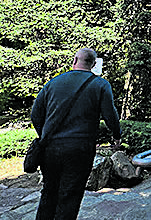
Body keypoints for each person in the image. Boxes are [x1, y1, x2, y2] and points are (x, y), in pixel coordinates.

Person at [31, 48, 122, 219]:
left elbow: (35, 115)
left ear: (74, 61)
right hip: (80, 149)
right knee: (70, 195)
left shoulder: (53, 83)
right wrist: (117, 135)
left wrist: (45, 135)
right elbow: (110, 115)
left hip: (50, 149)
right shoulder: (101, 85)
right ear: (93, 65)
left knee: (49, 192)